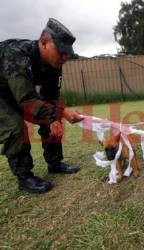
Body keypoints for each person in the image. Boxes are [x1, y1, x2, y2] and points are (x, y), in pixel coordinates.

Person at [0, 18, 84, 194]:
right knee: (15, 126)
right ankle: (24, 178)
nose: (65, 57)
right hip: (3, 94)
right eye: (61, 51)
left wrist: (55, 117)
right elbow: (27, 100)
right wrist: (61, 112)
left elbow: (51, 97)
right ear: (44, 42)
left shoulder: (55, 65)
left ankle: (54, 163)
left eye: (67, 53)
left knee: (52, 119)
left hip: (20, 93)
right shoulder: (15, 53)